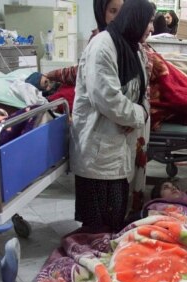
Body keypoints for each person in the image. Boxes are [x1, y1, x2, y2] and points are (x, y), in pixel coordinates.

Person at [70, 0, 155, 232]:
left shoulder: (133, 48)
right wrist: (138, 115)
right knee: (96, 225)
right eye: (149, 22)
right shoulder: (102, 46)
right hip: (99, 145)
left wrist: (140, 113)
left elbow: (143, 90)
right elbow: (107, 99)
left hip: (118, 143)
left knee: (115, 218)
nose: (152, 28)